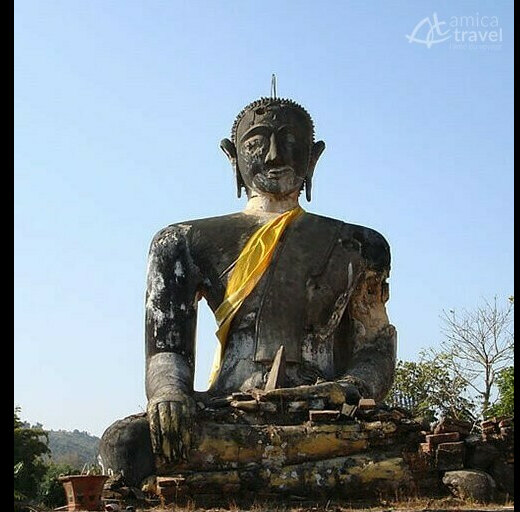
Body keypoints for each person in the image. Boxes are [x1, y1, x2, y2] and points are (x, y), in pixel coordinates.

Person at [100, 95, 397, 488]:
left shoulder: (360, 245)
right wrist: (170, 394)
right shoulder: (182, 241)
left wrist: (351, 390)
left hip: (325, 412)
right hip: (233, 409)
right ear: (232, 156)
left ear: (314, 157)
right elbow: (167, 349)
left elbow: (374, 346)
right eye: (258, 141)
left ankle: (232, 481)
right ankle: (299, 477)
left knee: (392, 442)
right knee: (125, 444)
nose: (275, 156)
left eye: (290, 140)